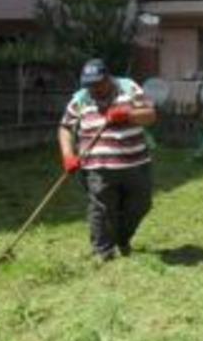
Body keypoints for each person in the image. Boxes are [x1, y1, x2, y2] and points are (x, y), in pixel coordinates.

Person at [58, 59, 157, 262]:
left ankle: (121, 239)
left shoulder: (128, 88)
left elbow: (150, 115)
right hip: (97, 167)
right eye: (89, 85)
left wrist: (127, 114)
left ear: (108, 78)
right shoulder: (81, 98)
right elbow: (65, 127)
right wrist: (68, 155)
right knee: (102, 209)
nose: (94, 89)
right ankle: (102, 251)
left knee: (141, 205)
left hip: (136, 163)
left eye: (98, 84)